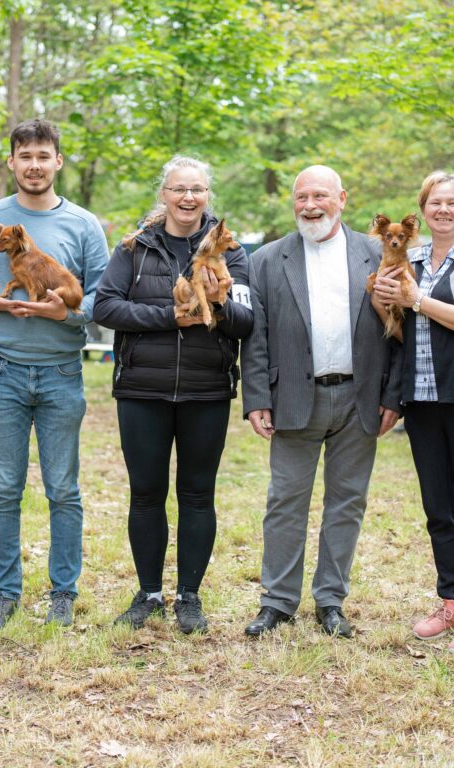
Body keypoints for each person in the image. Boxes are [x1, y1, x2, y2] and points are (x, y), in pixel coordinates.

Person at [92, 156, 253, 634]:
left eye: (197, 189)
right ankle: (148, 594)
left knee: (198, 495)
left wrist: (219, 303)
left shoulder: (231, 252)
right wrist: (170, 317)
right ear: (163, 194)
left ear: (207, 196)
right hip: (143, 389)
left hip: (206, 390)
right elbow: (105, 307)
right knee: (146, 494)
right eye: (179, 189)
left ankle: (189, 597)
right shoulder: (134, 248)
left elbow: (247, 322)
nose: (188, 197)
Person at [0, 119, 109, 631]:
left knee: (62, 489)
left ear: (58, 162)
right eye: (25, 156)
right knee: (4, 488)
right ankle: (5, 595)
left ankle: (62, 594)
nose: (35, 165)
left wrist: (66, 313)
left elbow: (101, 297)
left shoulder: (84, 224)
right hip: (2, 371)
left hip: (61, 372)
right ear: (11, 162)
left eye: (44, 156)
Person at [241, 165, 402, 638]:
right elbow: (255, 338)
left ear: (342, 199)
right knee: (285, 502)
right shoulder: (266, 260)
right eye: (301, 197)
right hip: (292, 397)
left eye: (320, 196)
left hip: (360, 397)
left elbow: (401, 329)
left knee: (347, 502)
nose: (310, 206)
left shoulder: (378, 252)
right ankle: (277, 602)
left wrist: (393, 395)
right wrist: (256, 398)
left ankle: (331, 601)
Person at [371, 170, 454, 653]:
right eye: (435, 202)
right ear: (423, 210)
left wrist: (417, 300)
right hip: (423, 399)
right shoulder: (411, 258)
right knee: (438, 510)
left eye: (453, 202)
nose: (443, 210)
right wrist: (386, 304)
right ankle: (452, 601)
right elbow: (405, 334)